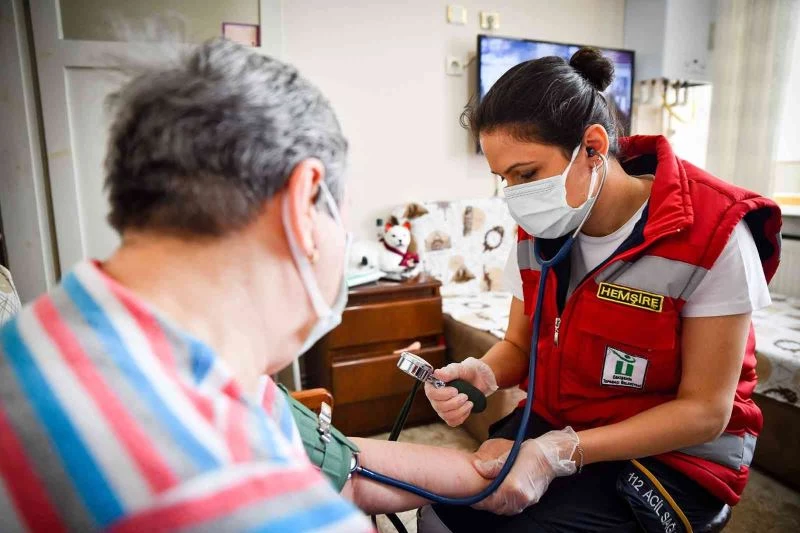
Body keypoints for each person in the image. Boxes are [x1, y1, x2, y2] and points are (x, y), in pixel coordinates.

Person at [0, 38, 494, 532]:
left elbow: (341, 464)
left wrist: (483, 472)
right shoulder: (273, 509)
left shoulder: (46, 332)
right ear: (303, 203)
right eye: (341, 218)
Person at [422, 48, 781, 532]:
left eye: (526, 175)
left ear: (593, 147)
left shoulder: (715, 233)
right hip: (564, 420)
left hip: (675, 456)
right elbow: (519, 346)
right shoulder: (541, 227)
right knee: (444, 512)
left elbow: (705, 412)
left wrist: (560, 451)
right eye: (503, 179)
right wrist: (483, 372)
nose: (515, 196)